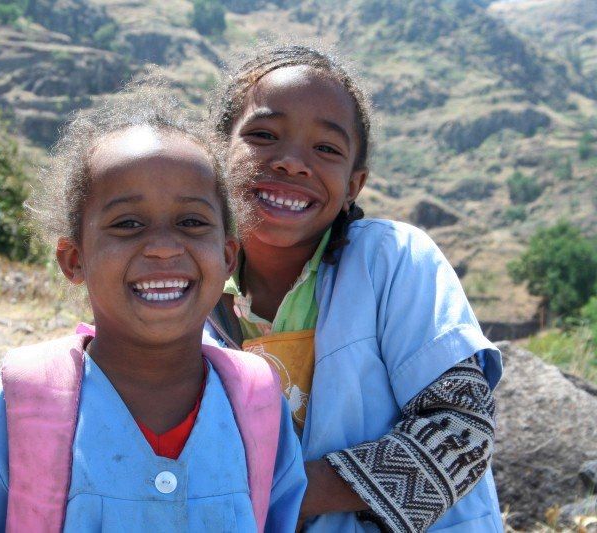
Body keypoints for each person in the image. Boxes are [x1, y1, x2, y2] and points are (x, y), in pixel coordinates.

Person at [0, 93, 306, 532]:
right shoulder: (26, 400)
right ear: (74, 260)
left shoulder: (256, 401)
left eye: (192, 222)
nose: (162, 246)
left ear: (228, 256)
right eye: (127, 224)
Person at [205, 44, 503, 532]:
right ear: (217, 154)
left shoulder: (394, 261)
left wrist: (281, 491)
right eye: (263, 135)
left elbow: (460, 433)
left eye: (326, 149)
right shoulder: (191, 292)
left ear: (353, 186)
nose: (292, 163)